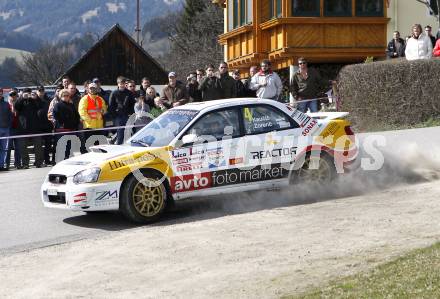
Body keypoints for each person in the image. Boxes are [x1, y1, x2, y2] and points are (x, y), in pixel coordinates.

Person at [14, 88, 44, 168]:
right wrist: (22, 98)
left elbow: (40, 106)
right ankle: (25, 163)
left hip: (35, 127)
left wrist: (36, 98)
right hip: (23, 128)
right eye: (26, 93)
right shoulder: (20, 101)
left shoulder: (34, 100)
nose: (27, 95)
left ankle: (39, 162)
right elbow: (16, 107)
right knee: (23, 147)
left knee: (38, 146)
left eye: (29, 93)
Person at [53, 89, 80, 161]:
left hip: (72, 129)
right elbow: (55, 115)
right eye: (64, 95)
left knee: (70, 146)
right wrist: (62, 123)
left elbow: (76, 115)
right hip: (62, 130)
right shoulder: (58, 105)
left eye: (67, 95)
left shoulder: (71, 105)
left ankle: (69, 159)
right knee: (61, 146)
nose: (66, 97)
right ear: (61, 96)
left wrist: (76, 123)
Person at [78, 82, 108, 148]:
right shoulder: (84, 99)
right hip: (89, 127)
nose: (92, 90)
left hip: (99, 126)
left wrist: (102, 111)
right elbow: (82, 112)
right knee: (89, 146)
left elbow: (104, 110)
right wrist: (90, 121)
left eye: (93, 88)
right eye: (90, 88)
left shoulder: (100, 99)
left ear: (97, 89)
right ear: (88, 89)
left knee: (99, 146)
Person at [108, 76, 135, 145]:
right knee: (120, 134)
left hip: (127, 116)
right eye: (121, 83)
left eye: (123, 83)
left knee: (127, 133)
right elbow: (111, 105)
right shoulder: (114, 93)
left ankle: (113, 140)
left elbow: (132, 105)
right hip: (118, 117)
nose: (122, 85)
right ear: (118, 84)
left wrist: (131, 114)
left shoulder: (129, 93)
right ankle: (118, 146)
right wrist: (114, 116)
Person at [35, 86, 54, 166]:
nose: (41, 92)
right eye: (39, 91)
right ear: (37, 91)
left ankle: (47, 160)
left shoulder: (48, 100)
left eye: (42, 91)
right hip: (38, 126)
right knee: (38, 145)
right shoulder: (34, 100)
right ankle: (39, 161)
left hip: (48, 125)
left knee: (48, 144)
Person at [6, 90, 21, 169]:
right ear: (9, 96)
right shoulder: (6, 105)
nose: (13, 97)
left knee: (18, 148)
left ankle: (17, 163)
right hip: (9, 129)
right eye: (11, 95)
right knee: (8, 148)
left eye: (14, 95)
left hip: (18, 128)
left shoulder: (19, 104)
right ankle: (7, 164)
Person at [0, 88, 12, 171]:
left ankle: (1, 165)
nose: (0, 94)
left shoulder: (6, 104)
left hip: (5, 129)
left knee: (4, 149)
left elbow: (10, 116)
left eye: (0, 93)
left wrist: (8, 125)